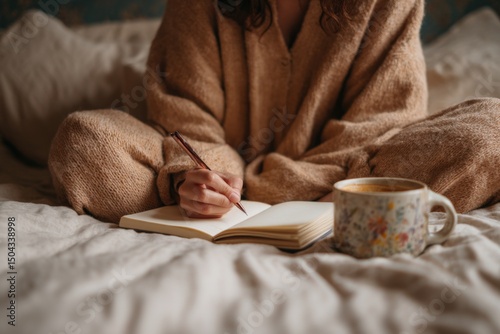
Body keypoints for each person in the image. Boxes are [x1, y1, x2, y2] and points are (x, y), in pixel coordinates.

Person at [48, 0, 500, 223]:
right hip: (294, 191)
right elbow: (187, 119)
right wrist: (202, 178)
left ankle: (299, 203)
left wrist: (266, 187)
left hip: (353, 171)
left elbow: (380, 125)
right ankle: (331, 208)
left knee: (492, 131)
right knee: (84, 143)